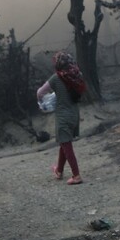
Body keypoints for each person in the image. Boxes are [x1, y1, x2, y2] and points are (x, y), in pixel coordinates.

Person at [37, 51, 86, 185]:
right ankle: (59, 170)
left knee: (67, 145)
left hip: (63, 116)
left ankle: (76, 175)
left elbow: (40, 92)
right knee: (64, 142)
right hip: (75, 114)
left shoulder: (56, 78)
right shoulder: (77, 75)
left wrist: (42, 103)